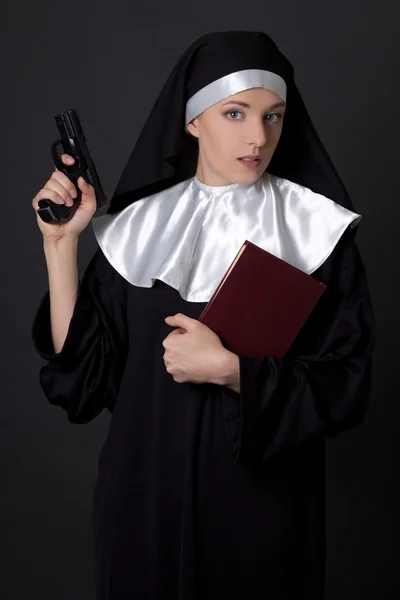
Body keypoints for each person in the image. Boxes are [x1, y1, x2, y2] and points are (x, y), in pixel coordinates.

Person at [31, 31, 375, 600]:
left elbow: (348, 386)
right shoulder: (138, 227)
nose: (256, 136)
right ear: (192, 120)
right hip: (143, 502)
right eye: (234, 113)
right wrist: (61, 246)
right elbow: (81, 381)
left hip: (263, 509)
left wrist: (234, 371)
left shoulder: (318, 231)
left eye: (273, 116)